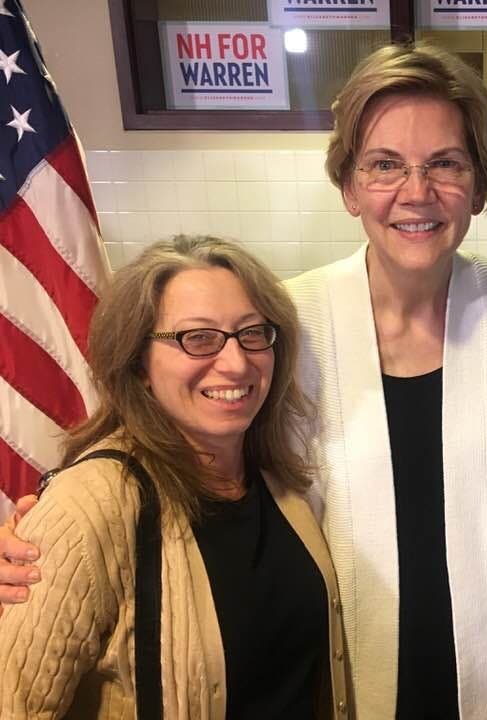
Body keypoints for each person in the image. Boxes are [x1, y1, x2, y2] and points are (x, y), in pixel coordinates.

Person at [1, 44, 487, 719]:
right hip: (340, 694)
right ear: (349, 186)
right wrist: (54, 528)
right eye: (385, 164)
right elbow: (174, 443)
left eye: (446, 163)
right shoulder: (287, 323)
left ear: (480, 185)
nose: (416, 191)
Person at [0, 236, 349, 718]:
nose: (236, 363)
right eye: (198, 338)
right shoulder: (92, 504)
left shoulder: (277, 480)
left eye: (252, 333)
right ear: (138, 363)